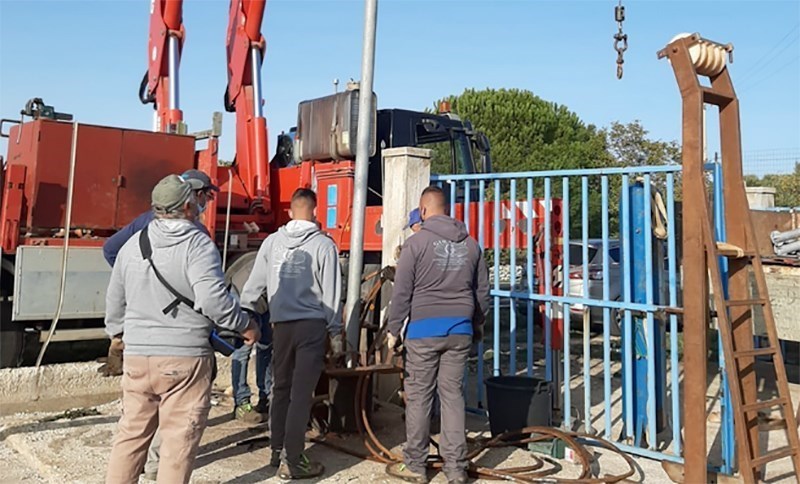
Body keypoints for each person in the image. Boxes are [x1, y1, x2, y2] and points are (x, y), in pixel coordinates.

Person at [104, 174, 260, 484]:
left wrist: (119, 336)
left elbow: (114, 300)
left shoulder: (134, 244)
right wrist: (245, 325)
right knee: (177, 445)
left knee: (130, 439)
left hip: (137, 357)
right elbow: (213, 299)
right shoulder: (197, 243)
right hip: (183, 358)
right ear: (188, 206)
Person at [385, 186, 490, 484]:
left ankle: (417, 465)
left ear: (425, 210)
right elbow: (482, 293)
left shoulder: (415, 245)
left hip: (423, 332)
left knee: (419, 398)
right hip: (460, 330)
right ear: (447, 209)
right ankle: (455, 469)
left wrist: (395, 330)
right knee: (453, 396)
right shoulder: (471, 245)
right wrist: (476, 323)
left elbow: (402, 293)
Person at [240, 188, 342, 480]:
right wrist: (335, 332)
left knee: (280, 389)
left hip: (280, 326)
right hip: (311, 327)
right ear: (315, 209)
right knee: (300, 394)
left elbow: (254, 282)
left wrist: (244, 314)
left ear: (289, 212)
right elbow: (332, 293)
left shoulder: (272, 242)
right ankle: (293, 459)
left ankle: (276, 449)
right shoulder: (324, 246)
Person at [102, 169, 217, 267]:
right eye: (208, 196)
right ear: (199, 195)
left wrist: (131, 276)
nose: (207, 202)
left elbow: (110, 249)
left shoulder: (144, 220)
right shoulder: (198, 233)